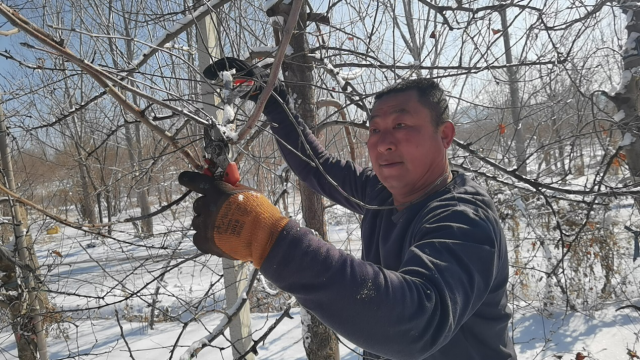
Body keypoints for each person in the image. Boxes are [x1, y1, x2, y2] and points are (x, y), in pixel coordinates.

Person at [178, 57, 517, 360]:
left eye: (400, 125)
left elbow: (415, 322)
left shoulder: (464, 219)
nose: (383, 142)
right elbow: (318, 167)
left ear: (445, 136)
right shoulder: (381, 193)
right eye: (374, 128)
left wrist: (264, 236)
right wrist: (273, 101)